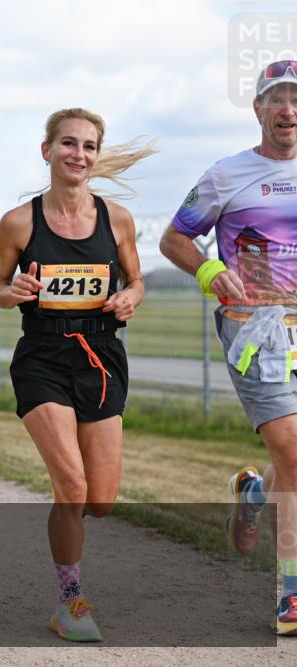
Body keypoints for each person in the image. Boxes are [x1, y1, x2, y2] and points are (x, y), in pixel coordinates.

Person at [0, 109, 151, 642]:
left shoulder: (118, 219)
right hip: (42, 358)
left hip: (101, 358)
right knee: (72, 487)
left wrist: (129, 297)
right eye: (68, 143)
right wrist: (11, 292)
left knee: (99, 500)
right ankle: (70, 600)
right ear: (47, 151)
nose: (78, 154)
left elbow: (136, 281)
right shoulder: (19, 222)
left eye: (88, 146)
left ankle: (70, 591)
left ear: (96, 156)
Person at [159, 60, 297, 636]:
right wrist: (209, 269)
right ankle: (291, 594)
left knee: (291, 459)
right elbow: (174, 238)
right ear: (258, 109)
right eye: (277, 99)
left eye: (296, 100)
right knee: (294, 451)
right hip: (256, 328)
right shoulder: (226, 175)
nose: (288, 110)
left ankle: (255, 493)